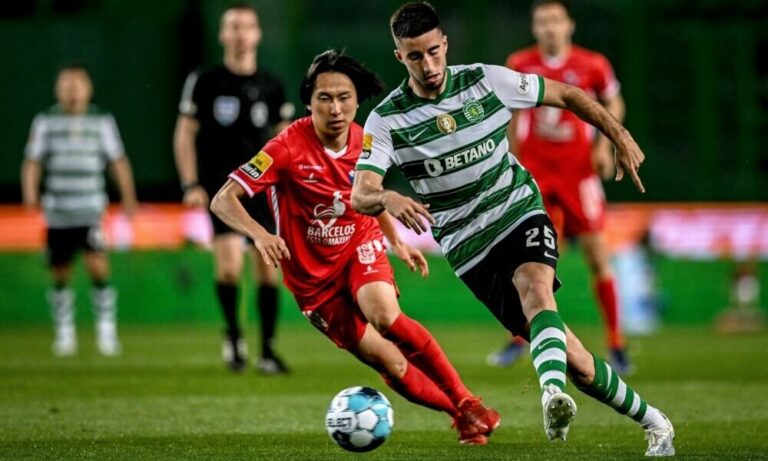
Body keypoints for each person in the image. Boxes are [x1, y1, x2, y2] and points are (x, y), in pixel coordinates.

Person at [350, 3, 675, 456]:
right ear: (399, 57)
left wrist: (617, 134)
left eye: (434, 51)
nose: (428, 65)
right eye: (415, 56)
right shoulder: (387, 119)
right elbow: (360, 193)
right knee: (579, 362)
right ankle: (655, 421)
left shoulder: (487, 80)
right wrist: (387, 197)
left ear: (445, 44)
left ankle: (550, 394)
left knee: (536, 288)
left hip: (516, 209)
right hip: (467, 246)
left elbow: (568, 95)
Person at [211, 49, 501, 445]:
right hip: (312, 282)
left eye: (344, 97)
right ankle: (460, 415)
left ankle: (467, 400)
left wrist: (395, 241)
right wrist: (259, 234)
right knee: (389, 361)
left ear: (357, 100)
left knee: (384, 315)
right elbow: (223, 200)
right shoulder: (285, 148)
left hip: (358, 247)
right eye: (324, 98)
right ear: (309, 101)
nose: (335, 108)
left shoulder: (367, 141)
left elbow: (371, 196)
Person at [488, 0, 631, 373]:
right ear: (535, 28)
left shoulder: (592, 64)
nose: (550, 27)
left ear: (569, 25)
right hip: (537, 171)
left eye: (555, 20)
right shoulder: (520, 62)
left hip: (578, 172)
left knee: (598, 256)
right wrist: (511, 157)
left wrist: (604, 145)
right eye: (542, 22)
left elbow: (614, 102)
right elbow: (509, 113)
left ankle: (617, 344)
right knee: (531, 260)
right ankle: (519, 339)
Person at [174, 2, 294, 373]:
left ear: (257, 34)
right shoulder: (205, 81)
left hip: (262, 189)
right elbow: (185, 133)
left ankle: (268, 350)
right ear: (223, 34)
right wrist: (191, 183)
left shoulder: (272, 84)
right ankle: (234, 336)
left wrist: (293, 184)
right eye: (234, 26)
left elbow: (286, 140)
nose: (241, 34)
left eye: (247, 27)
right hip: (222, 190)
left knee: (268, 269)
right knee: (228, 269)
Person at [21, 63, 138, 357]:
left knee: (97, 265)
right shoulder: (46, 121)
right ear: (58, 89)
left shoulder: (101, 121)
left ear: (88, 89)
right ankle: (64, 332)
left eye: (78, 85)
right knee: (60, 272)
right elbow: (33, 160)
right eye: (67, 85)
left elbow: (117, 160)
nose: (73, 91)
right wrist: (30, 193)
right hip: (58, 211)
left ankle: (106, 330)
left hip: (90, 208)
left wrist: (128, 197)